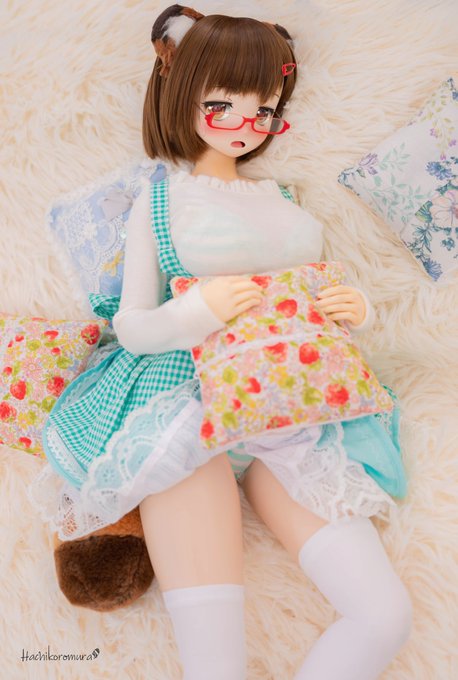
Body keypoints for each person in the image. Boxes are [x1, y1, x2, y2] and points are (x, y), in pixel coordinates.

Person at [30, 5, 412, 679]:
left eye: (264, 110)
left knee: (384, 617)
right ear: (180, 92)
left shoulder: (285, 198)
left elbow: (314, 293)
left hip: (294, 406)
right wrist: (196, 311)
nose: (247, 124)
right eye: (223, 104)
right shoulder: (157, 202)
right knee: (215, 664)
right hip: (185, 411)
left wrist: (354, 309)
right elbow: (134, 326)